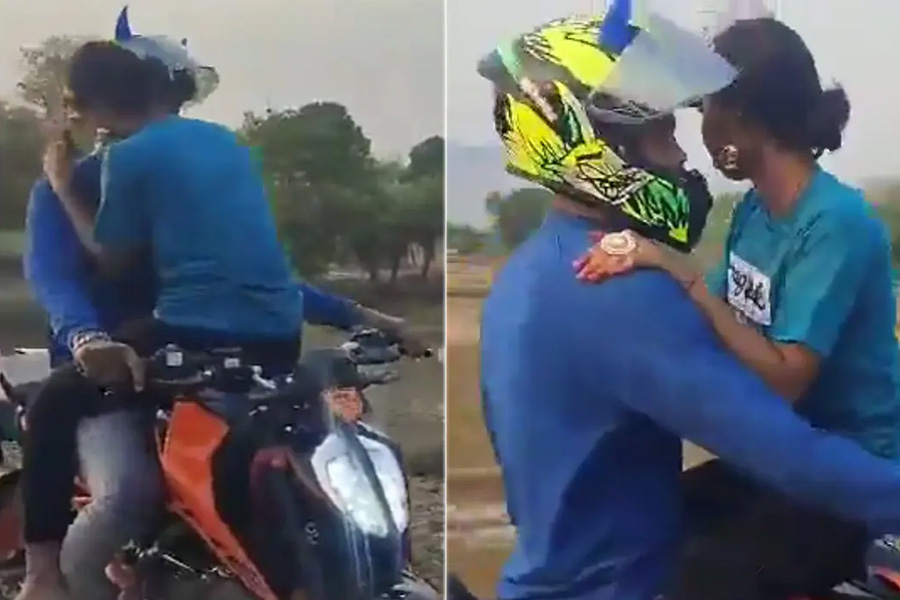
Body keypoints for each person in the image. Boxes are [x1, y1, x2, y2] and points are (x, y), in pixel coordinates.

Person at [475, 6, 900, 600]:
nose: (681, 156)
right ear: (599, 145)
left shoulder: (530, 271)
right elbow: (783, 449)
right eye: (661, 133)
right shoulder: (618, 289)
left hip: (563, 565)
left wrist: (682, 279)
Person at [18, 30, 415, 600]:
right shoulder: (95, 178)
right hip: (117, 363)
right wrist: (85, 338)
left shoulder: (152, 166)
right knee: (128, 491)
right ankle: (45, 578)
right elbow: (56, 279)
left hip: (194, 359)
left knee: (302, 471)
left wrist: (359, 316)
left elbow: (251, 274)